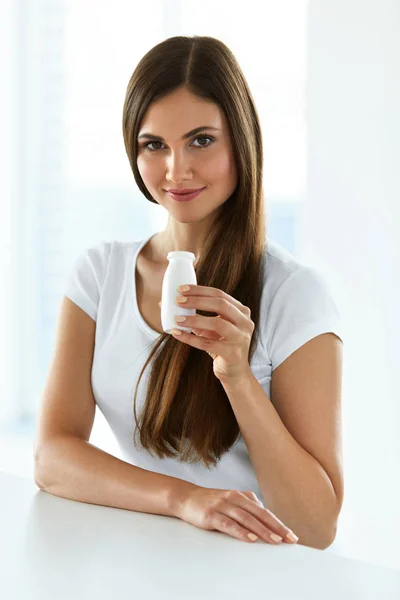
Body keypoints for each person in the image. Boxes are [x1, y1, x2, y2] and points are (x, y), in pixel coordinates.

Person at [33, 35, 344, 550]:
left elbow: (316, 527)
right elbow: (51, 456)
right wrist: (185, 499)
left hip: (258, 575)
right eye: (154, 145)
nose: (176, 170)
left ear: (241, 141)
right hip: (144, 560)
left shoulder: (294, 295)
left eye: (201, 140)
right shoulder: (100, 274)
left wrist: (237, 376)